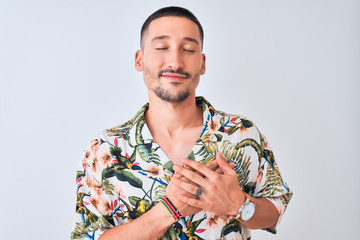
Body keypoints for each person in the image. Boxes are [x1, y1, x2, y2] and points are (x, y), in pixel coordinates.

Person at [71, 6, 292, 240]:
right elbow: (87, 236)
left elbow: (276, 211)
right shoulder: (105, 148)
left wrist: (237, 204)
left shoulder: (241, 133)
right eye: (161, 48)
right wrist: (169, 210)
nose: (175, 61)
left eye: (188, 49)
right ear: (139, 59)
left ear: (203, 63)